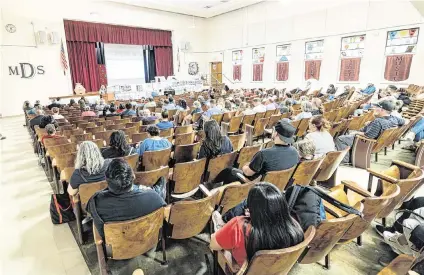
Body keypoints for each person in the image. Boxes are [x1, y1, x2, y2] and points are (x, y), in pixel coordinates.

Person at [210, 182, 304, 267]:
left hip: (241, 269)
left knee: (218, 230)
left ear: (252, 208)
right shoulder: (295, 227)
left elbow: (213, 245)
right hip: (273, 269)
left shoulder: (239, 226)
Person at [86, 158, 166, 239]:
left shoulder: (95, 202)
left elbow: (91, 216)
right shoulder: (154, 196)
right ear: (133, 176)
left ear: (106, 180)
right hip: (149, 242)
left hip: (115, 248)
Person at [211, 120, 299, 186]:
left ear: (276, 134)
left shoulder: (264, 154)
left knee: (229, 170)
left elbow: (247, 173)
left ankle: (213, 186)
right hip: (277, 185)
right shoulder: (295, 153)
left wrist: (245, 166)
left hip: (257, 186)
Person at [335, 100, 405, 163]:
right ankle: (347, 154)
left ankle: (345, 159)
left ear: (381, 109)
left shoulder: (378, 121)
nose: (374, 109)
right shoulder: (394, 118)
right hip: (377, 143)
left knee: (340, 139)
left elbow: (368, 136)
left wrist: (356, 133)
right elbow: (404, 121)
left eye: (376, 107)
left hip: (366, 142)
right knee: (349, 132)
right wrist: (371, 123)